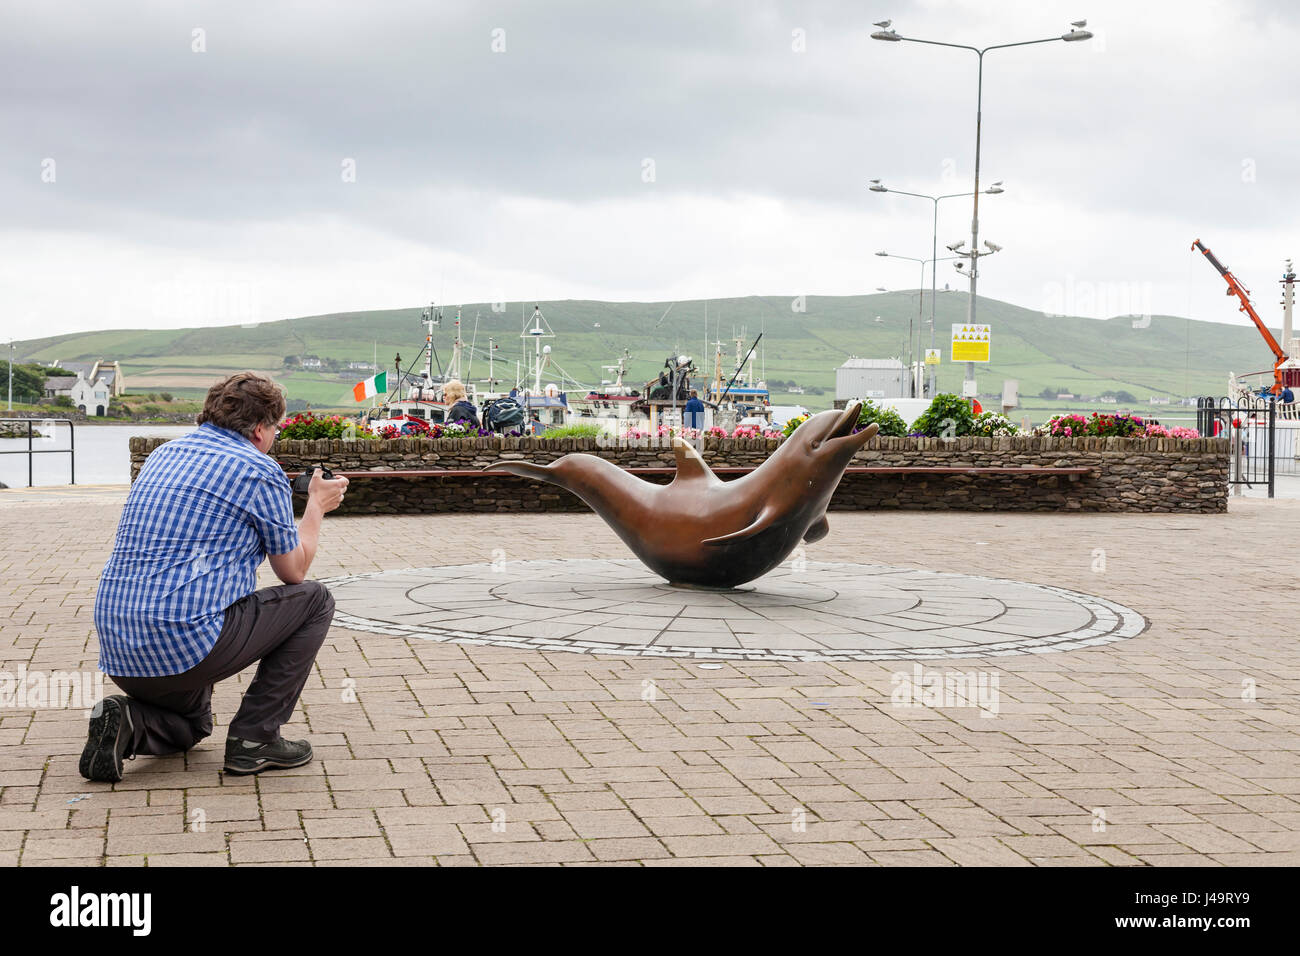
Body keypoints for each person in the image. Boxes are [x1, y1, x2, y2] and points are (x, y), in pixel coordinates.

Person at [82, 372, 349, 782]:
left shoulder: (163, 455)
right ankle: (254, 740)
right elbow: (293, 571)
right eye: (275, 427)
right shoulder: (259, 469)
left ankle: (128, 722)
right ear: (260, 429)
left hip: (120, 649)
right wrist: (316, 506)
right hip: (186, 646)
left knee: (193, 726)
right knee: (315, 600)